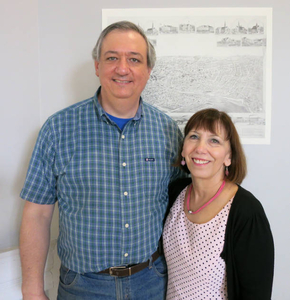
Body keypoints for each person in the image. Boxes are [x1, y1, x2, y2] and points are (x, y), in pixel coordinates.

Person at [19, 21, 184, 300]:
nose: (122, 68)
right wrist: (32, 289)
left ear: (148, 70)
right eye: (112, 58)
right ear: (97, 66)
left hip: (151, 282)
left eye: (134, 59)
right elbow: (37, 214)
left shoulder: (168, 131)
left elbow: (182, 206)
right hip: (83, 287)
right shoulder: (58, 129)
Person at [163, 108, 274, 300]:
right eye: (194, 136)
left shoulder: (247, 212)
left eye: (214, 140)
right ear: (183, 149)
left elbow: (256, 293)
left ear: (229, 157)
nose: (200, 148)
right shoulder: (174, 193)